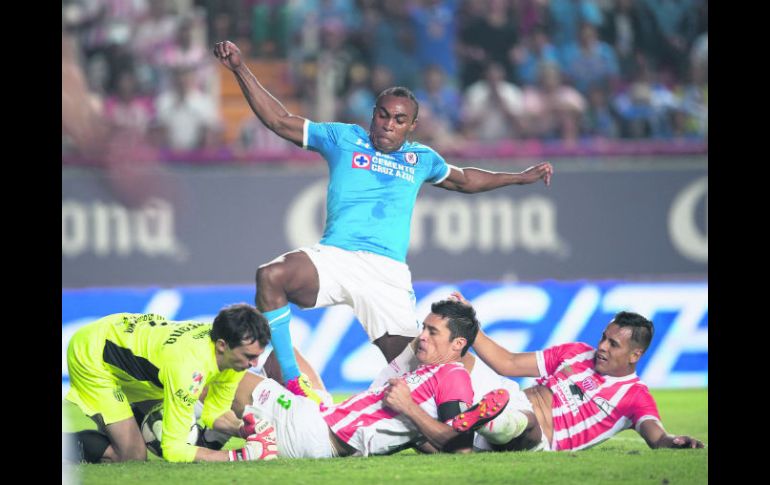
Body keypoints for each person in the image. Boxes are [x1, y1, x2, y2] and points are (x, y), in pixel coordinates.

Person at [212, 40, 554, 401]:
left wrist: (518, 177)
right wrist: (239, 68)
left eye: (399, 120)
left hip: (386, 274)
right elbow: (279, 121)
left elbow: (465, 179)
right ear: (372, 114)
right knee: (271, 276)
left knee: (420, 375)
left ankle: (498, 400)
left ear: (412, 126)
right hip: (336, 257)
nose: (389, 125)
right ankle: (293, 379)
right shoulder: (344, 138)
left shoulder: (422, 159)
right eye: (383, 115)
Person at [369, 292, 704, 452]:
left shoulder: (635, 397)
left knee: (523, 423)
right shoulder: (576, 353)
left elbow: (655, 436)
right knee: (445, 353)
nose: (601, 346)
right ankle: (380, 409)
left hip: (540, 436)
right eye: (604, 337)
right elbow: (508, 364)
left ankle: (479, 421)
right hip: (508, 397)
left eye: (613, 345)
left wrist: (673, 442)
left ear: (635, 355)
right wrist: (470, 326)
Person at [199, 298, 510, 458]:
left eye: (432, 332)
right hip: (321, 420)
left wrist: (409, 409)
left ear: (458, 345)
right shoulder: (429, 370)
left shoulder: (453, 374)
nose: (422, 337)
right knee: (284, 357)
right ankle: (211, 431)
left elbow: (460, 450)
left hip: (316, 431)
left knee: (220, 373)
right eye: (424, 328)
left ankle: (169, 409)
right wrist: (412, 424)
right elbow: (438, 438)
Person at [63, 303, 276, 463]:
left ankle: (116, 431)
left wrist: (244, 429)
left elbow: (215, 413)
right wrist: (237, 456)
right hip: (93, 354)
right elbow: (174, 450)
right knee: (132, 455)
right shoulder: (188, 370)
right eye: (249, 356)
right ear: (222, 345)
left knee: (149, 434)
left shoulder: (233, 358)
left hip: (131, 354)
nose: (255, 364)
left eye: (257, 355)